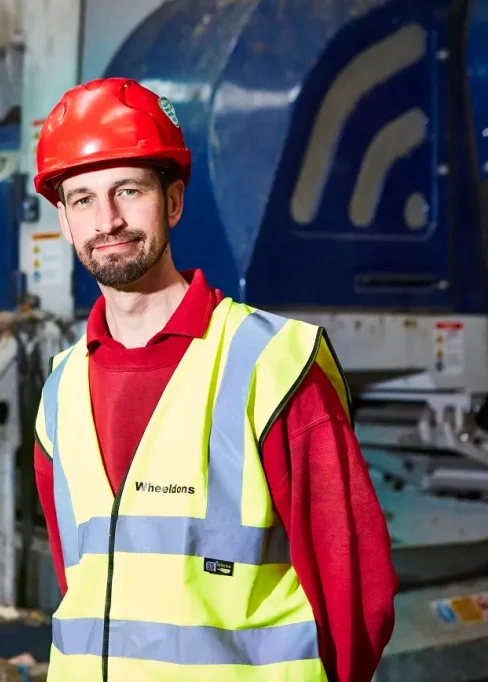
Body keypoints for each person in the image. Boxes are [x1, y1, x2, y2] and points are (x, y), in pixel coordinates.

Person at [31, 78, 397, 682]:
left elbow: (358, 592)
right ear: (65, 222)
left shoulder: (272, 364)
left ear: (172, 201)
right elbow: (84, 581)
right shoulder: (61, 390)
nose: (109, 220)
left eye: (129, 190)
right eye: (83, 199)